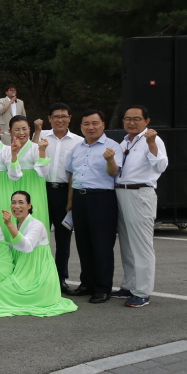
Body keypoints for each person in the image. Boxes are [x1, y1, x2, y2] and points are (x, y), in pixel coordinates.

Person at [112, 105, 168, 309]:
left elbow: (160, 166)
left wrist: (152, 143)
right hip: (121, 192)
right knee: (127, 243)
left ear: (147, 121)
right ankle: (128, 285)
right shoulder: (125, 141)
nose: (131, 122)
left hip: (140, 193)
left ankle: (142, 291)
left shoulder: (152, 140)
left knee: (142, 245)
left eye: (136, 119)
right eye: (127, 119)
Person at [0, 192, 79, 317]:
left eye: (21, 202)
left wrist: (9, 225)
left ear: (29, 206)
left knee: (0, 291)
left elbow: (26, 246)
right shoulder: (17, 224)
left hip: (37, 273)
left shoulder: (37, 225)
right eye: (13, 202)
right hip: (23, 269)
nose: (16, 206)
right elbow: (15, 247)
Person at [65, 109, 120, 304]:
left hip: (102, 199)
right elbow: (72, 176)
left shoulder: (112, 146)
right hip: (80, 199)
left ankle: (103, 288)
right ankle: (86, 283)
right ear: (81, 126)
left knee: (102, 245)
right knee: (83, 244)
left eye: (95, 123)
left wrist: (110, 160)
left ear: (103, 125)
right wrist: (70, 202)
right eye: (86, 124)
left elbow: (114, 172)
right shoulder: (77, 148)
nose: (91, 127)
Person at [36, 103, 82, 292]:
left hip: (65, 193)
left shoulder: (78, 141)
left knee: (63, 239)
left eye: (64, 116)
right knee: (39, 235)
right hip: (41, 190)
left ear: (70, 118)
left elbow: (75, 173)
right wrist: (36, 131)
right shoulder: (41, 136)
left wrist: (71, 200)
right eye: (56, 116)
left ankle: (60, 278)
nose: (60, 120)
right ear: (49, 118)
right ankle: (39, 276)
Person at [4, 116, 51, 231]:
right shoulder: (7, 150)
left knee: (33, 224)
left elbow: (43, 173)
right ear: (10, 131)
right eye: (17, 129)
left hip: (33, 189)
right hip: (12, 189)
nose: (21, 133)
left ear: (30, 129)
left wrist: (42, 152)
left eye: (24, 129)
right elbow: (12, 174)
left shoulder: (36, 148)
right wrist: (14, 154)